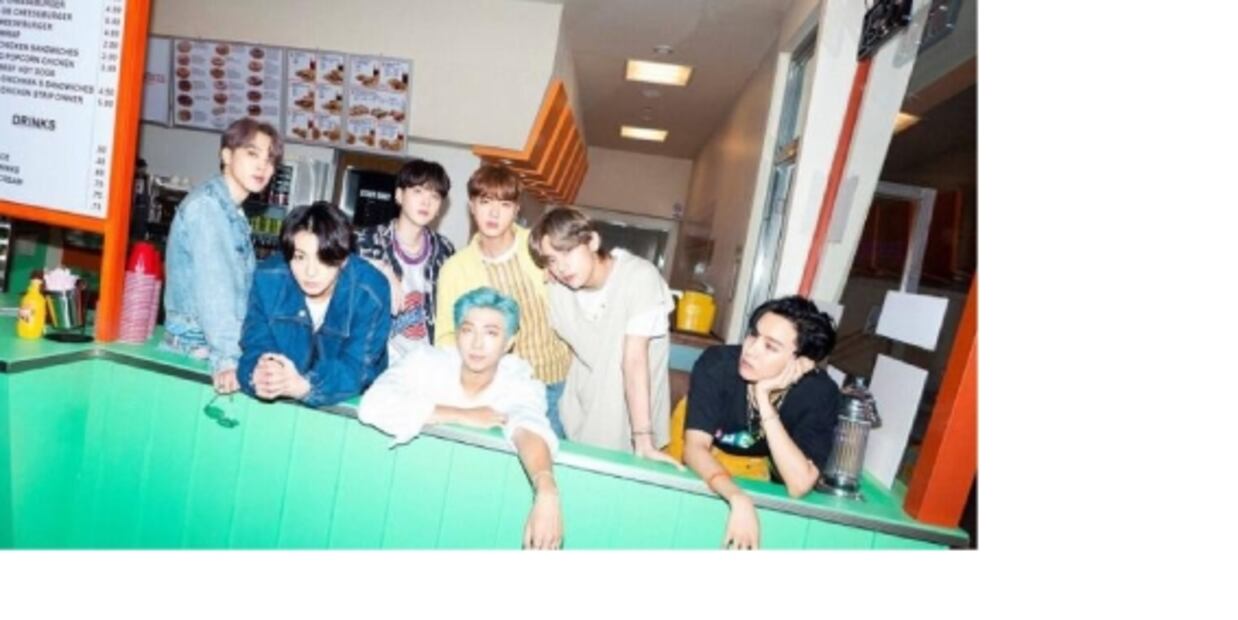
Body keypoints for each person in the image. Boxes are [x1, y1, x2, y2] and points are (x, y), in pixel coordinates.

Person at [358, 287, 563, 550]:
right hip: (404, 492)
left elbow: (528, 425)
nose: (477, 344)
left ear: (509, 341)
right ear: (457, 334)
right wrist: (461, 415)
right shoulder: (426, 361)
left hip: (474, 507)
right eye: (468, 330)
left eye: (491, 333)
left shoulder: (519, 382)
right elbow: (373, 404)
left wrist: (546, 488)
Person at [682, 296, 841, 550]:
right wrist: (737, 498)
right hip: (705, 451)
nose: (751, 349)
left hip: (753, 464)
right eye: (753, 335)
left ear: (801, 363)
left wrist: (763, 398)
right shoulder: (717, 364)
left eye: (770, 346)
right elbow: (694, 448)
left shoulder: (819, 393)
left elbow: (799, 484)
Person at [529, 207, 679, 465]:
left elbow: (634, 359)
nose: (561, 266)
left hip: (634, 429)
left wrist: (643, 438)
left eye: (567, 251)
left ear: (593, 241)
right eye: (552, 259)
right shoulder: (558, 288)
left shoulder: (639, 278)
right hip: (576, 424)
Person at [433, 164, 572, 438]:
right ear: (472, 206)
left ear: (517, 209)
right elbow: (445, 338)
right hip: (502, 389)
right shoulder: (455, 268)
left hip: (559, 381)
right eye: (485, 202)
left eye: (505, 204)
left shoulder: (540, 248)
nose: (494, 213)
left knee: (558, 454)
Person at [163, 118, 283, 395]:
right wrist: (228, 360)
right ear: (227, 156)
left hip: (209, 344)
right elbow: (215, 290)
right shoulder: (209, 208)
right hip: (199, 348)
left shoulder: (232, 210)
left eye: (269, 159)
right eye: (252, 154)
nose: (262, 166)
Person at [236, 202, 391, 407]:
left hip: (352, 404)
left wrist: (305, 386)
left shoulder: (370, 292)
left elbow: (358, 367)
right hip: (280, 404)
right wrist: (260, 373)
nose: (310, 272)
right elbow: (255, 343)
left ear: (344, 258)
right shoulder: (268, 280)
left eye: (323, 258)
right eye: (300, 257)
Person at [355, 158, 456, 361]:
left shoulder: (445, 250)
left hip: (426, 364)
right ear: (399, 195)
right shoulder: (366, 242)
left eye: (434, 196)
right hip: (374, 361)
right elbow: (334, 266)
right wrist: (382, 268)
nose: (426, 202)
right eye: (418, 191)